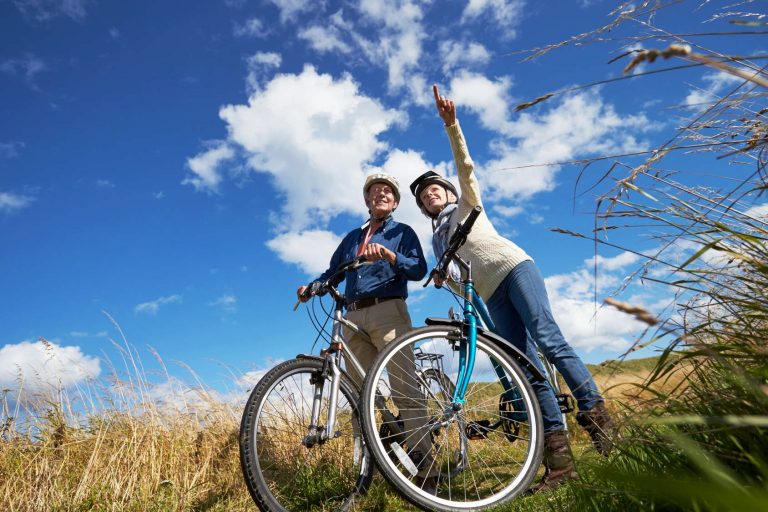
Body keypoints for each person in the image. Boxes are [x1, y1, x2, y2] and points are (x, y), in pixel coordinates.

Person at [410, 85, 616, 492]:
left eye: (435, 187)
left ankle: (598, 417)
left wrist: (452, 127)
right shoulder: (438, 242)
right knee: (528, 368)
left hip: (514, 269)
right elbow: (457, 280)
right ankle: (560, 464)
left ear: (448, 193)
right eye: (422, 195)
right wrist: (442, 276)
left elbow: (466, 167)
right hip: (492, 294)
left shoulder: (467, 204)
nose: (430, 193)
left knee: (548, 340)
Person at [297, 173, 436, 483]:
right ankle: (367, 466)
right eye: (375, 191)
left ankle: (427, 468)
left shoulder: (402, 231)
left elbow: (418, 268)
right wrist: (313, 287)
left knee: (404, 387)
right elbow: (332, 273)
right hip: (352, 315)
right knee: (360, 394)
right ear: (367, 200)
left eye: (387, 191)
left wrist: (390, 255)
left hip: (388, 310)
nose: (381, 195)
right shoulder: (351, 238)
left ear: (395, 201)